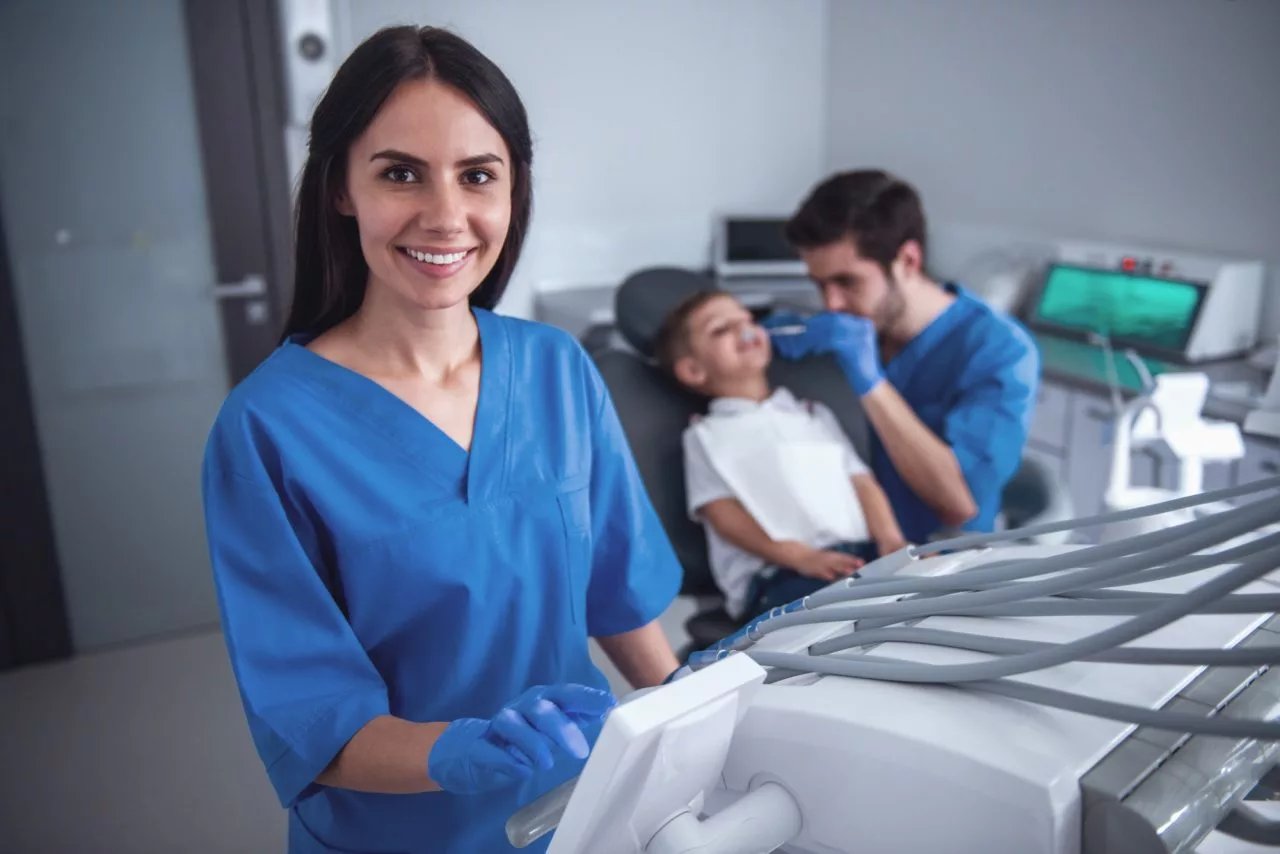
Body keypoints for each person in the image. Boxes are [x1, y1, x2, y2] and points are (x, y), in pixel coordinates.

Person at [200, 25, 682, 854]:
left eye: (477, 176)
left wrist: (694, 722)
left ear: (511, 189)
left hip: (577, 813)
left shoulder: (556, 367)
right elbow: (316, 721)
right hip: (397, 831)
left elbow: (613, 590)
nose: (446, 216)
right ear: (342, 187)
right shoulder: (267, 429)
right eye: (400, 173)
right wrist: (458, 749)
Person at [765, 169, 1041, 545]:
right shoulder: (852, 326)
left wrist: (872, 384)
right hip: (844, 550)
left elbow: (959, 504)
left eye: (847, 282)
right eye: (820, 284)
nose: (831, 304)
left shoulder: (999, 350)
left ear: (908, 260)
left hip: (937, 561)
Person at [654, 289, 908, 622]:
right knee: (866, 615)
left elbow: (862, 483)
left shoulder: (813, 415)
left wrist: (891, 540)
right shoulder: (705, 436)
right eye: (720, 329)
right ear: (693, 370)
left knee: (931, 591)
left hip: (860, 555)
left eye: (747, 320)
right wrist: (798, 557)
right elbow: (721, 514)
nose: (744, 330)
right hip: (779, 576)